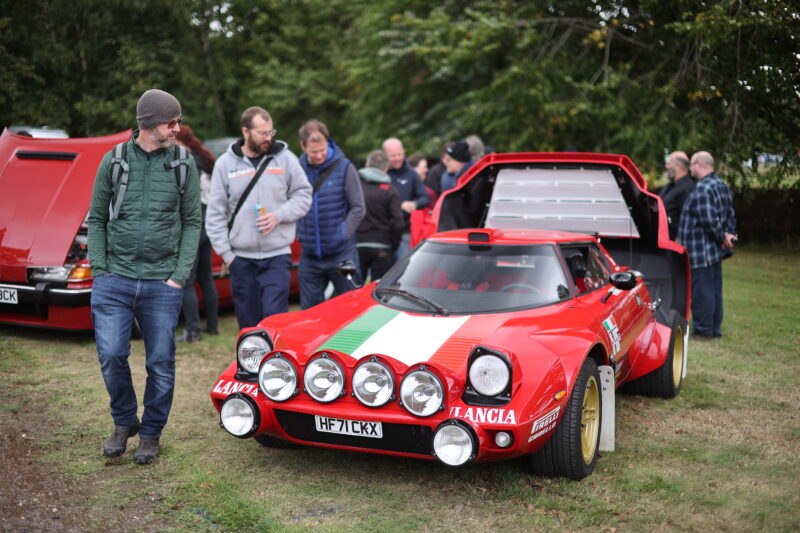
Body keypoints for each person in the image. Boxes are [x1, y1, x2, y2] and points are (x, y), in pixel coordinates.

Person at [87, 89, 201, 464]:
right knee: (111, 354)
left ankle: (150, 433)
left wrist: (178, 276)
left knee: (161, 363)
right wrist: (101, 271)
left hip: (161, 282)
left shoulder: (184, 163)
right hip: (113, 279)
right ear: (152, 124)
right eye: (173, 123)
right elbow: (97, 219)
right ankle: (124, 422)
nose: (178, 129)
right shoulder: (114, 161)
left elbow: (192, 221)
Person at [205, 107, 311, 328]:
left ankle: (275, 363)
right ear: (246, 132)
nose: (268, 138)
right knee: (249, 325)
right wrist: (227, 255)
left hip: (277, 256)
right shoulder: (225, 164)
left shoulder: (286, 159)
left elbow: (304, 194)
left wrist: (280, 215)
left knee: (275, 321)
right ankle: (252, 363)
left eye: (271, 132)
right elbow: (215, 213)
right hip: (241, 260)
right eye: (262, 133)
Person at [297, 120, 365, 309]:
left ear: (328, 142)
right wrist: (299, 233)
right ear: (303, 146)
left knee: (352, 308)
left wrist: (343, 233)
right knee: (310, 314)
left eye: (322, 150)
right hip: (310, 255)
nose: (319, 155)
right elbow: (291, 202)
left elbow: (358, 207)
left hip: (342, 253)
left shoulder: (344, 167)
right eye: (313, 152)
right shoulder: (297, 169)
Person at [677, 151, 737, 340]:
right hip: (713, 251)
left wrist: (721, 237)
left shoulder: (703, 188)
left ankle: (703, 331)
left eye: (692, 164)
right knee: (714, 291)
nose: (690, 168)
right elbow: (730, 215)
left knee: (702, 292)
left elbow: (708, 220)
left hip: (699, 249)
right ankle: (714, 329)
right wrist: (729, 236)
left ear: (700, 164)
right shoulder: (721, 185)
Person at [176, 125, 219, 342]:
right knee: (205, 277)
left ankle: (192, 331)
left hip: (195, 223)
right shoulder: (204, 161)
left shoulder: (187, 160)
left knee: (186, 279)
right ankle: (212, 325)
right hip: (207, 223)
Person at [357, 150, 404, 281]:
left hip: (358, 244)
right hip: (382, 245)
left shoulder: (356, 187)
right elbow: (398, 222)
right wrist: (393, 244)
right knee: (378, 291)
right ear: (386, 168)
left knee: (353, 290)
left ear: (367, 164)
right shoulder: (390, 190)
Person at [382, 137, 429, 261]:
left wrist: (414, 204)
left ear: (403, 152)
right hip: (382, 230)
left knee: (401, 270)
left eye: (399, 154)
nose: (397, 158)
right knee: (382, 273)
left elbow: (424, 197)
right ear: (385, 155)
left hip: (403, 231)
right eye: (392, 156)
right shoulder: (381, 172)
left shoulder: (411, 173)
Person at [660, 151, 695, 240]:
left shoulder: (687, 188)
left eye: (669, 163)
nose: (666, 166)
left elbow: (688, 221)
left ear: (678, 166)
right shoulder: (669, 186)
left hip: (675, 243)